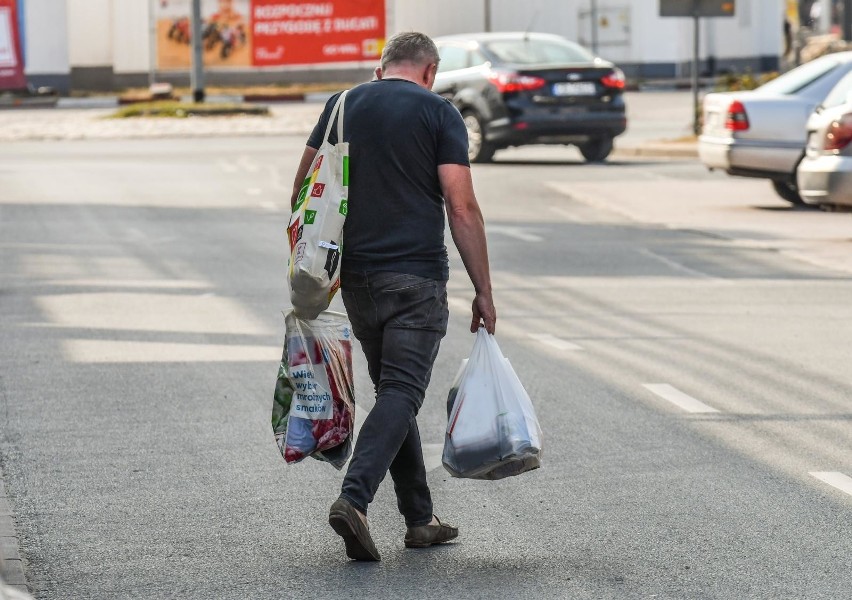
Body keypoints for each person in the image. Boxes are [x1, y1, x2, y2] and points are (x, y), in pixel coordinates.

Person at [289, 31, 496, 561]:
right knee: (402, 392)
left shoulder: (342, 105)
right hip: (417, 280)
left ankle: (420, 518)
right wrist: (484, 290)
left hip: (355, 279)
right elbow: (462, 207)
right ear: (430, 71)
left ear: (381, 69)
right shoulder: (440, 113)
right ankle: (353, 499)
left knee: (392, 393)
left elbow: (302, 188)